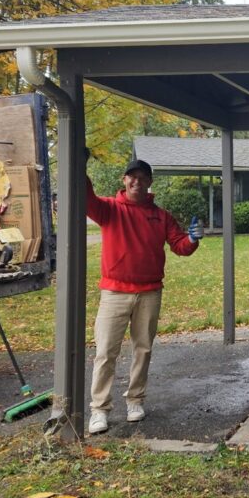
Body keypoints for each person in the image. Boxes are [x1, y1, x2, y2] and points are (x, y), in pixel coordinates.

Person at [85, 157, 202, 434]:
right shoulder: (109, 209)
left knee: (143, 349)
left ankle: (135, 401)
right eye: (131, 177)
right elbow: (86, 197)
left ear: (150, 183)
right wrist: (80, 167)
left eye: (142, 177)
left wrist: (193, 239)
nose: (136, 181)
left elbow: (180, 246)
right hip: (114, 292)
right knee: (105, 352)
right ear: (124, 180)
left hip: (149, 292)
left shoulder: (161, 216)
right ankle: (99, 409)